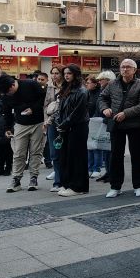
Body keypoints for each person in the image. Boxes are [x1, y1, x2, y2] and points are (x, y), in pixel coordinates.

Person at [101, 58, 140, 198]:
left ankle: (139, 186)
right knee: (115, 157)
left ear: (134, 70)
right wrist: (105, 109)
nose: (125, 69)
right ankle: (115, 187)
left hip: (134, 124)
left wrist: (126, 113)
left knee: (137, 156)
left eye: (128, 67)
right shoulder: (112, 83)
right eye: (123, 67)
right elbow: (102, 98)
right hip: (116, 124)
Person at [0, 74, 46, 192]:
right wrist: (7, 128)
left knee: (36, 152)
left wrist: (33, 108)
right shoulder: (5, 94)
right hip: (20, 124)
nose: (7, 95)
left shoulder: (30, 84)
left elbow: (44, 99)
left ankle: (33, 177)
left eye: (8, 92)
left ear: (13, 85)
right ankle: (16, 179)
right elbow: (6, 111)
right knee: (18, 153)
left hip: (38, 122)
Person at [53, 65, 89, 197]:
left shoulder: (81, 91)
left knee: (77, 157)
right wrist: (59, 122)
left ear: (75, 74)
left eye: (69, 73)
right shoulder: (66, 88)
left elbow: (77, 113)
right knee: (66, 156)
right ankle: (68, 183)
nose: (67, 75)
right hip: (66, 127)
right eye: (65, 73)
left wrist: (64, 124)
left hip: (77, 127)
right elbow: (60, 109)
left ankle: (78, 186)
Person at [93, 71, 115, 181]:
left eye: (101, 79)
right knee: (105, 149)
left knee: (109, 149)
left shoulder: (112, 91)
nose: (99, 81)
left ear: (108, 80)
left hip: (109, 122)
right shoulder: (102, 90)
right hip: (101, 121)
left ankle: (111, 173)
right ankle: (107, 171)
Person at [44, 66, 63, 189]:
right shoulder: (50, 88)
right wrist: (46, 121)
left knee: (64, 152)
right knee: (54, 152)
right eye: (52, 73)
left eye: (57, 73)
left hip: (64, 123)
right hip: (52, 124)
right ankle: (57, 180)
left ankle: (63, 179)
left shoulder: (67, 87)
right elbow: (46, 105)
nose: (54, 75)